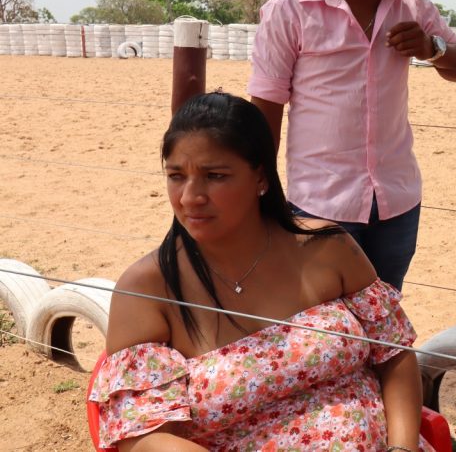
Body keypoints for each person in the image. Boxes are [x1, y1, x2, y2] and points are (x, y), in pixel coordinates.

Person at [89, 92, 431, 452]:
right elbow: (144, 437)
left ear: (261, 178)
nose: (190, 197)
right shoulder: (147, 290)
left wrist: (402, 448)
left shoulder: (328, 247)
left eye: (215, 176)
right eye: (176, 176)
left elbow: (393, 355)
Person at [248, 0, 456, 292]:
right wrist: (260, 196)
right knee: (324, 326)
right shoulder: (290, 11)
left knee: (384, 322)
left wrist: (431, 47)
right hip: (319, 206)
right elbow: (266, 107)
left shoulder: (413, 7)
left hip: (397, 204)